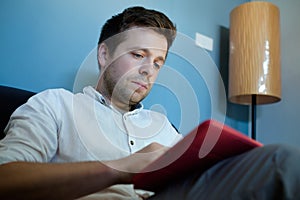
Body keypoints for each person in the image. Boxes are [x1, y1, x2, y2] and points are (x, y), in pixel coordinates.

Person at [0, 6, 300, 200]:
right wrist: (120, 168)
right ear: (104, 55)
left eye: (159, 62)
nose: (149, 70)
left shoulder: (163, 129)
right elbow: (5, 179)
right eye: (138, 55)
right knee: (282, 162)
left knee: (276, 164)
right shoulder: (55, 105)